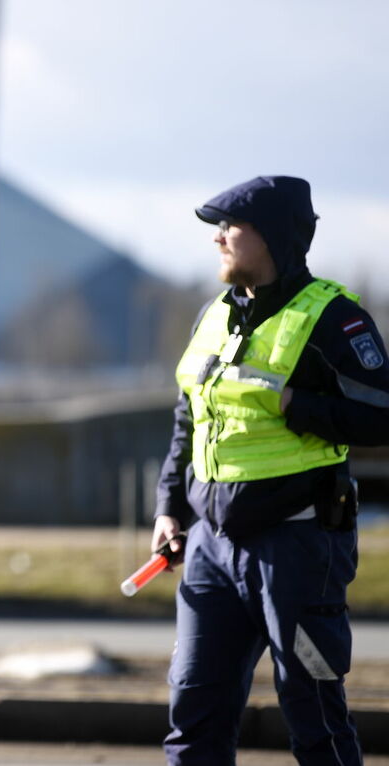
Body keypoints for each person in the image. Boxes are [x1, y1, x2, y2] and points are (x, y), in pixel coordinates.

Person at [151, 176, 389, 765]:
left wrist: (295, 406)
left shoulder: (334, 319)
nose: (219, 239)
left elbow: (382, 419)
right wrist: (168, 509)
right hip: (209, 548)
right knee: (193, 716)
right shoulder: (212, 315)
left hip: (298, 545)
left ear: (276, 238)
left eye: (232, 227)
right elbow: (190, 419)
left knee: (313, 713)